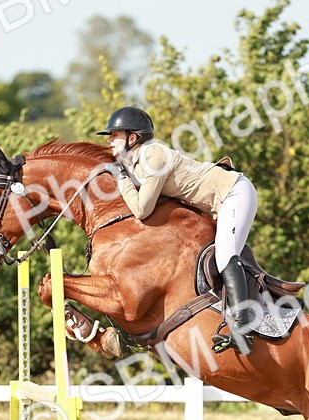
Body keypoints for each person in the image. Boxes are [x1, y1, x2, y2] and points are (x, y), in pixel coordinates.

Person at [97, 106, 260, 353]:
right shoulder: (138, 163)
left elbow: (142, 209)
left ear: (133, 137)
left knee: (225, 254)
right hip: (223, 201)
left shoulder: (152, 156)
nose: (110, 139)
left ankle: (243, 329)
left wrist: (121, 179)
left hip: (233, 192)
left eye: (115, 134)